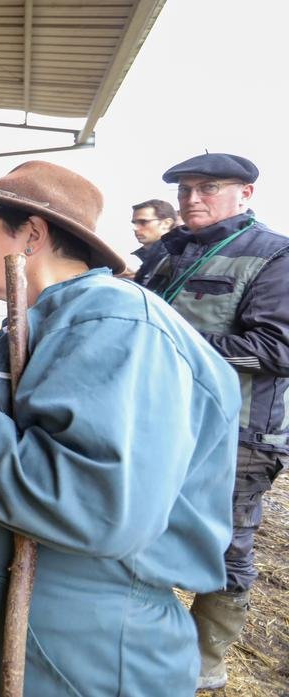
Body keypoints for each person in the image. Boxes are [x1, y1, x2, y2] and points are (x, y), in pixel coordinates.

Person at [0, 161, 240, 696]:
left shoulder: (114, 324)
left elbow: (97, 500)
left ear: (32, 236)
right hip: (20, 649)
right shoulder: (28, 331)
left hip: (81, 659)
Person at [140, 153, 289, 691]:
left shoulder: (274, 255)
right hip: (161, 424)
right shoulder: (166, 252)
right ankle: (151, 638)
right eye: (184, 189)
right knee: (145, 525)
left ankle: (206, 660)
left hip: (239, 434)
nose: (191, 198)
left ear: (245, 193)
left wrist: (175, 342)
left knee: (228, 546)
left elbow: (277, 348)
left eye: (208, 187)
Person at [129, 198, 176, 284]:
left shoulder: (175, 257)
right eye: (134, 223)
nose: (135, 228)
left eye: (143, 222)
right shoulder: (152, 255)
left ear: (166, 223)